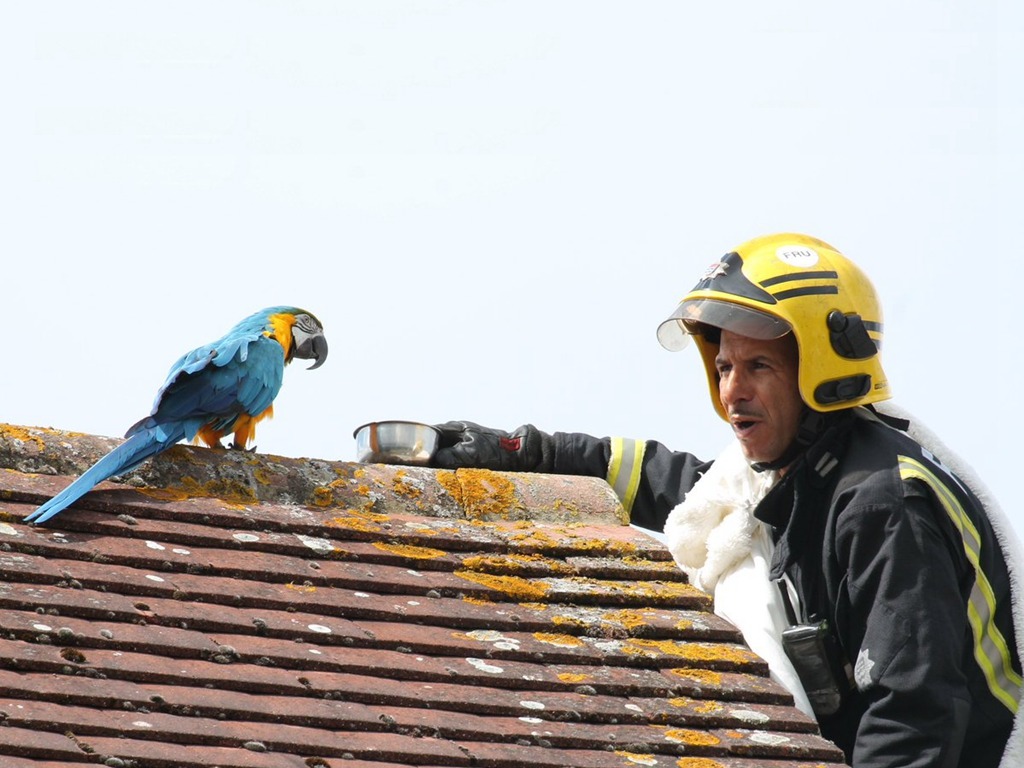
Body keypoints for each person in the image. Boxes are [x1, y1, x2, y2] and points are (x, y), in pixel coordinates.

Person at [429, 232, 1023, 768]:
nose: (731, 391)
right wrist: (517, 449)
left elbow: (914, 714)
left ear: (823, 369)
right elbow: (665, 480)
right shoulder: (786, 479)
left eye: (758, 365)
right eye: (723, 366)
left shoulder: (883, 504)